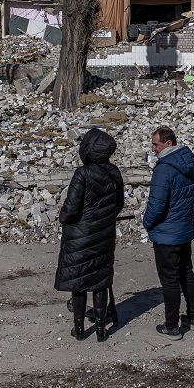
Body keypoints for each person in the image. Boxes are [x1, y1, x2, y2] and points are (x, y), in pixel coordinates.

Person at [55, 127, 125, 342]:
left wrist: (64, 218)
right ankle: (102, 329)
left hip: (80, 234)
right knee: (100, 279)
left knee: (79, 280)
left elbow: (72, 206)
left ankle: (79, 328)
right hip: (104, 232)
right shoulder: (114, 172)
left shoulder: (82, 173)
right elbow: (119, 203)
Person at [142, 126, 194, 340]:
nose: (153, 149)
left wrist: (147, 223)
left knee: (169, 280)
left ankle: (172, 326)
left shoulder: (163, 169)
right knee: (186, 273)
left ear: (168, 143)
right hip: (183, 229)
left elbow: (156, 205)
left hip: (166, 234)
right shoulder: (191, 164)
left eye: (155, 144)